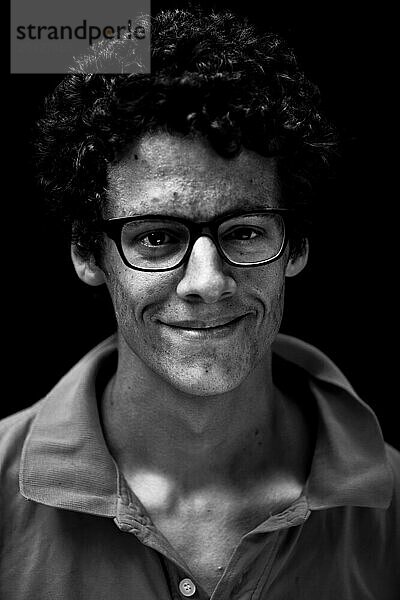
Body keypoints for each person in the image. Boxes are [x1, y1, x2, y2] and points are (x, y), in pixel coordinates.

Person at [1, 7, 399, 600]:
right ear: (89, 254)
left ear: (297, 246)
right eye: (157, 237)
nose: (207, 282)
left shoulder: (393, 502)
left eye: (244, 231)